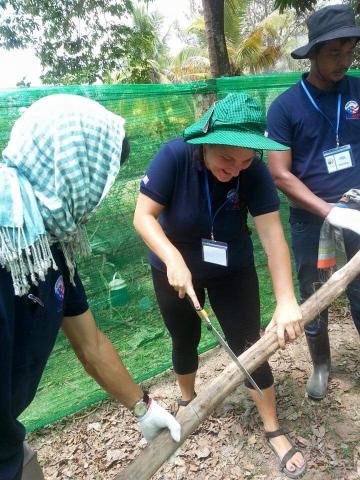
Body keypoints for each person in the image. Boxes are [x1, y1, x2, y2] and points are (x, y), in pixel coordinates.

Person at [0, 94, 181, 480]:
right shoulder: (8, 242)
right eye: (97, 181)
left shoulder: (50, 243)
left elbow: (90, 343)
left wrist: (144, 408)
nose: (95, 202)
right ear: (70, 169)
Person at [134, 92, 307, 479]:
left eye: (245, 160)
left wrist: (286, 299)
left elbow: (272, 235)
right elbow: (143, 216)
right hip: (173, 268)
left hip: (232, 268)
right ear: (205, 143)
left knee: (248, 342)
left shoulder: (255, 172)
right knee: (184, 338)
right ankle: (187, 399)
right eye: (227, 158)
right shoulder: (175, 155)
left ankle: (272, 427)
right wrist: (172, 259)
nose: (236, 169)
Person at [266, 4, 360, 402]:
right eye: (334, 53)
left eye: (350, 51)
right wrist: (330, 212)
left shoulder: (357, 91)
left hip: (359, 212)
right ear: (314, 53)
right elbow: (280, 173)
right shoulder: (286, 107)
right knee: (313, 293)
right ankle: (321, 363)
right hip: (310, 219)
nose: (344, 61)